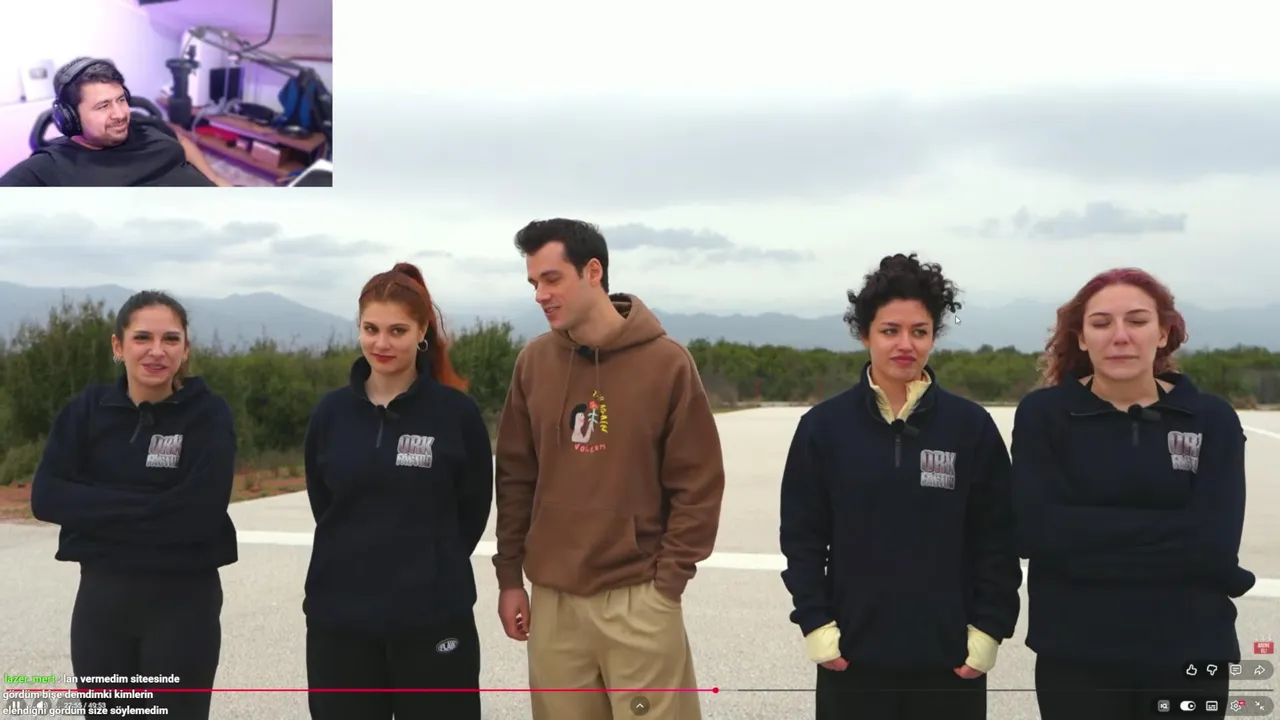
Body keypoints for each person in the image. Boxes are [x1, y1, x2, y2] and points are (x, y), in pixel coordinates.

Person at [493, 218, 726, 720]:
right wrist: (509, 577)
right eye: (533, 282)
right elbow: (514, 479)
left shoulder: (667, 364)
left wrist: (666, 587)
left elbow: (698, 485)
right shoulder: (533, 363)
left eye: (552, 279)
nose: (540, 295)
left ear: (593, 271)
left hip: (638, 600)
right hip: (553, 604)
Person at [779, 253, 1023, 720]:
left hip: (950, 661)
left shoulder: (970, 427)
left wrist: (988, 632)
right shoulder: (822, 428)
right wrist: (817, 626)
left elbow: (997, 538)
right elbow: (802, 537)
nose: (905, 344)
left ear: (934, 336)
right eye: (890, 330)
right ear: (864, 334)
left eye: (920, 331)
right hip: (851, 658)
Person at [1012, 268, 1254, 720]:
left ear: (1163, 333)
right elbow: (1035, 532)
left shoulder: (1211, 419)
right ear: (1081, 337)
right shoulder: (1044, 416)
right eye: (1101, 323)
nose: (1120, 336)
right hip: (1076, 654)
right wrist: (1172, 533)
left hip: (1191, 651)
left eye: (1137, 321)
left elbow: (1213, 545)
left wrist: (1085, 535)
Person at [29, 290, 238, 719]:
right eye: (142, 337)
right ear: (118, 346)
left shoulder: (209, 416)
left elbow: (198, 517)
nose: (157, 351)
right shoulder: (87, 411)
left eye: (170, 339)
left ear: (185, 349)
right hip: (102, 605)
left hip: (183, 607)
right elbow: (46, 497)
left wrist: (93, 509)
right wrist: (157, 503)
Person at [302, 262, 493, 720]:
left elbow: (472, 512)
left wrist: (430, 565)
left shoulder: (456, 415)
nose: (381, 343)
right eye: (371, 329)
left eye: (397, 330)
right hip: (340, 625)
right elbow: (324, 505)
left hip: (433, 621)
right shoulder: (330, 415)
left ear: (422, 331)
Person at [0, 57, 229, 186]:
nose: (120, 114)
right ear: (70, 117)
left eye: (121, 100)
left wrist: (216, 178)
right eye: (103, 106)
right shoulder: (50, 166)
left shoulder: (143, 123)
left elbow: (181, 140)